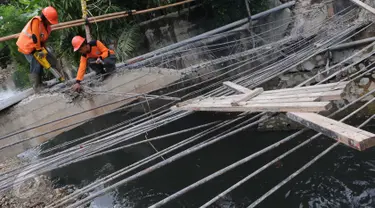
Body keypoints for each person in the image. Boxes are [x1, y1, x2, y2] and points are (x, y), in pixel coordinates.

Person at [16, 6, 59, 91]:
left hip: (36, 47)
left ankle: (46, 81)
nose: (51, 23)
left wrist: (44, 50)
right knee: (36, 63)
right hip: (27, 46)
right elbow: (35, 37)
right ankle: (37, 86)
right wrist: (39, 50)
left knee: (50, 59)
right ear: (45, 18)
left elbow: (43, 40)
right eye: (49, 21)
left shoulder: (47, 27)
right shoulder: (36, 21)